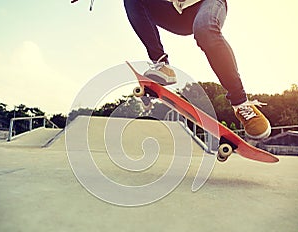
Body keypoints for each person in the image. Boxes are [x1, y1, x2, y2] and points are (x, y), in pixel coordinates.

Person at [72, 0, 271, 139]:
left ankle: (242, 103)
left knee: (205, 29)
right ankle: (161, 64)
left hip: (208, 4)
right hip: (178, 12)